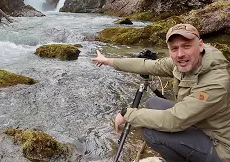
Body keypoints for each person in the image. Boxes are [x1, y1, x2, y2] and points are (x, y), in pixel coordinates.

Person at [91, 24, 230, 162]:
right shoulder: (184, 63)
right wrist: (109, 61)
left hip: (219, 146)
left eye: (186, 46)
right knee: (152, 102)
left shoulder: (216, 82)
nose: (180, 54)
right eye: (174, 48)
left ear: (200, 46)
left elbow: (174, 120)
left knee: (151, 133)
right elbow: (147, 65)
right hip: (198, 124)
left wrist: (128, 114)